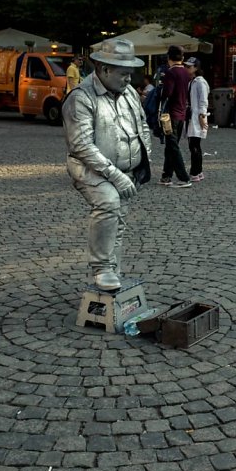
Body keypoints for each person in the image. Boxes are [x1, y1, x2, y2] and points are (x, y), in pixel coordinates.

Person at [62, 38, 152, 291]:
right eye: (123, 74)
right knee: (109, 203)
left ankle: (114, 267)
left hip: (126, 169)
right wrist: (116, 175)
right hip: (89, 168)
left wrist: (143, 159)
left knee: (119, 218)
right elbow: (81, 146)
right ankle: (101, 268)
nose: (128, 79)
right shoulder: (80, 98)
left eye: (130, 74)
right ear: (104, 69)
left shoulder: (130, 93)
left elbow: (142, 125)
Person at [158, 45, 193, 187]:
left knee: (172, 146)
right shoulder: (185, 72)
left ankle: (183, 178)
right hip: (181, 113)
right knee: (171, 145)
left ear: (169, 58)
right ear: (182, 58)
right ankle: (166, 176)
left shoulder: (171, 73)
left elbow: (167, 93)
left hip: (170, 114)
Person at [185, 57, 210, 180]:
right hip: (192, 115)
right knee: (194, 145)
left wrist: (202, 115)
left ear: (196, 68)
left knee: (194, 145)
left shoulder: (200, 82)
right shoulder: (192, 82)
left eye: (189, 66)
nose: (187, 68)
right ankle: (197, 171)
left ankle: (195, 172)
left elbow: (203, 101)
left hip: (197, 116)